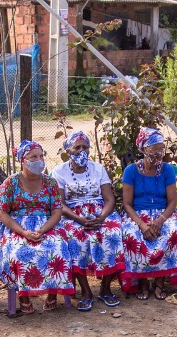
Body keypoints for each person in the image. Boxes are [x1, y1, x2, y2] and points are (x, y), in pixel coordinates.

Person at [0, 139, 74, 315]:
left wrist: (42, 230)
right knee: (19, 251)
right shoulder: (11, 183)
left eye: (41, 156)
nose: (39, 160)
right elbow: (2, 214)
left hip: (47, 225)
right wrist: (23, 232)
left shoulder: (50, 182)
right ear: (23, 160)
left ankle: (52, 292)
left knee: (57, 248)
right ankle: (24, 297)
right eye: (33, 157)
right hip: (16, 226)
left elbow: (56, 212)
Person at [119, 128, 177, 300]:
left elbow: (172, 202)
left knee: (174, 231)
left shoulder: (167, 170)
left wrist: (160, 221)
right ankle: (142, 282)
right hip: (137, 214)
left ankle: (159, 282)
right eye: (154, 149)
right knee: (131, 234)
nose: (158, 153)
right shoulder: (131, 171)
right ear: (143, 149)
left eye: (161, 149)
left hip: (164, 213)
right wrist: (142, 224)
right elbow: (127, 204)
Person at [51, 131, 124, 310]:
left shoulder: (98, 169)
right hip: (72, 214)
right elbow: (59, 203)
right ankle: (86, 291)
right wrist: (79, 219)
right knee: (75, 238)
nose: (81, 151)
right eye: (77, 147)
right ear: (68, 150)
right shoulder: (59, 171)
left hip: (99, 212)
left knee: (112, 233)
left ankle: (105, 288)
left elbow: (109, 199)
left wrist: (102, 217)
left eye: (85, 147)